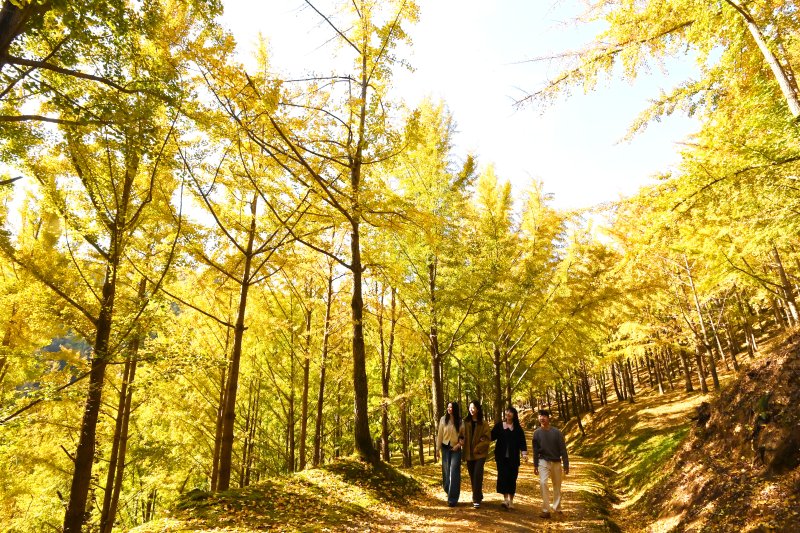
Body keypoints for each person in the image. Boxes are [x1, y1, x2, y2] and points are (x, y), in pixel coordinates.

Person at [532, 409, 569, 519]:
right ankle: (545, 510)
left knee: (557, 486)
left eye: (544, 416)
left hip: (556, 461)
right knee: (543, 483)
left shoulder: (557, 432)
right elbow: (535, 451)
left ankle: (557, 508)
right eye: (540, 416)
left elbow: (563, 449)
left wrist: (566, 464)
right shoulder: (536, 433)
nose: (542, 418)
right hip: (543, 461)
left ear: (548, 418)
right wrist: (535, 465)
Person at [491, 406, 528, 509]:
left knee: (512, 478)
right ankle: (505, 499)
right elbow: (491, 436)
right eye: (507, 411)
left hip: (513, 458)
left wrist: (524, 454)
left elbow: (522, 441)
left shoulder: (517, 428)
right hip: (501, 458)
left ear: (514, 415)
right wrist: (482, 438)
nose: (508, 413)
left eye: (511, 412)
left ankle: (511, 501)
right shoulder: (499, 426)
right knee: (503, 477)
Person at [459, 400, 491, 508]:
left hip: (480, 454)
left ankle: (476, 499)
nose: (472, 410)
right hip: (468, 453)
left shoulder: (483, 423)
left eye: (474, 408)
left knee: (478, 474)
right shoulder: (465, 422)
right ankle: (479, 494)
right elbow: (461, 434)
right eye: (470, 407)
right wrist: (461, 440)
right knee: (472, 476)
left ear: (478, 409)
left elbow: (487, 438)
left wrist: (478, 447)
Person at [435, 401, 463, 506]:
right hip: (445, 449)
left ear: (455, 409)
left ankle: (452, 499)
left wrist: (458, 445)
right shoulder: (443, 419)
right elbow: (440, 435)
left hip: (456, 449)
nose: (449, 409)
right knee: (446, 473)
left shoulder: (460, 421)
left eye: (451, 407)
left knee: (454, 473)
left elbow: (463, 436)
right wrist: (437, 449)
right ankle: (448, 490)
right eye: (448, 407)